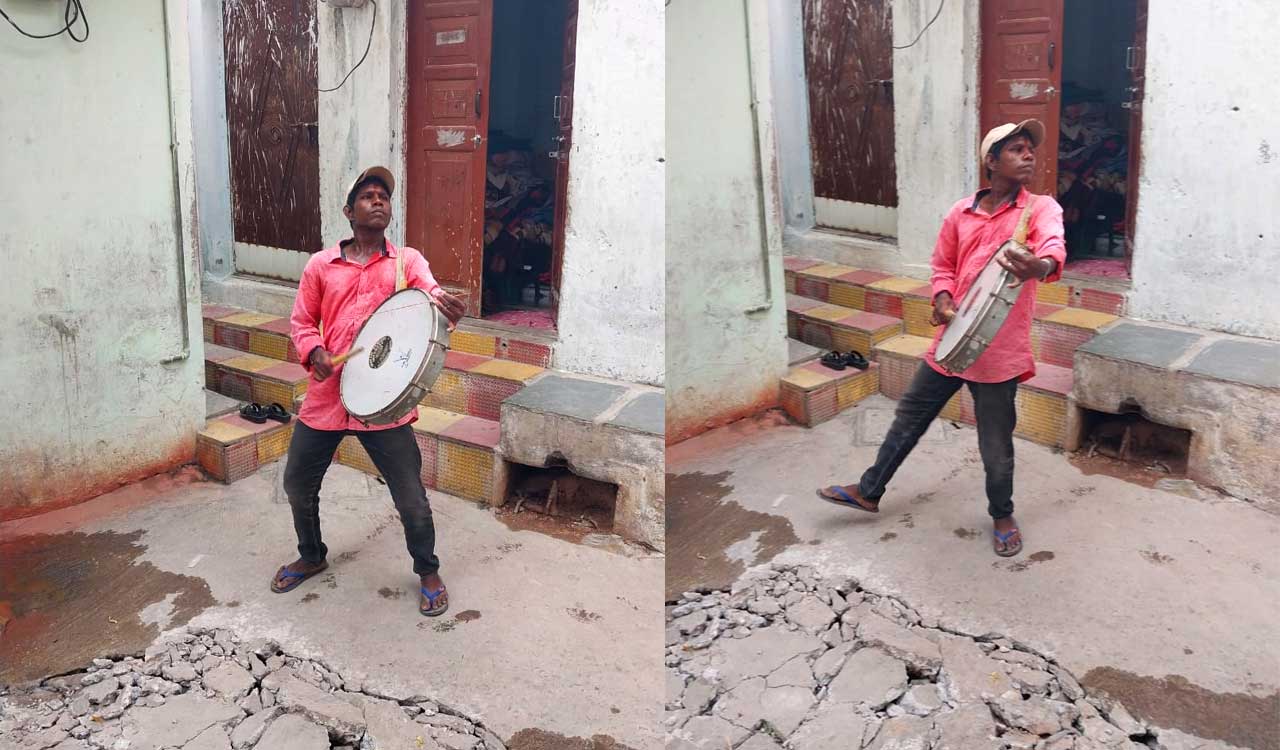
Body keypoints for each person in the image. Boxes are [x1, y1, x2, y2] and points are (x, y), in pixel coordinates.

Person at [816, 120, 1067, 558]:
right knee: (909, 417)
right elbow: (942, 265)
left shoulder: (1041, 209)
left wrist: (1040, 267)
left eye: (1031, 150)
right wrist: (943, 297)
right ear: (992, 161)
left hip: (998, 350)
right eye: (1017, 150)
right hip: (951, 341)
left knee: (995, 442)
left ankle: (1002, 514)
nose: (1029, 155)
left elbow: (1054, 247)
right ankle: (869, 490)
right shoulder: (960, 212)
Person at [269, 166, 467, 616]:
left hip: (385, 400)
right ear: (349, 210)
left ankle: (427, 569)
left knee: (410, 496)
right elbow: (301, 322)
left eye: (384, 197)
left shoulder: (407, 263)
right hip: (328, 396)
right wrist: (313, 349)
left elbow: (431, 298)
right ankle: (312, 553)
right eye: (368, 196)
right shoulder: (321, 265)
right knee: (298, 483)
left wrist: (446, 307)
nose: (378, 201)